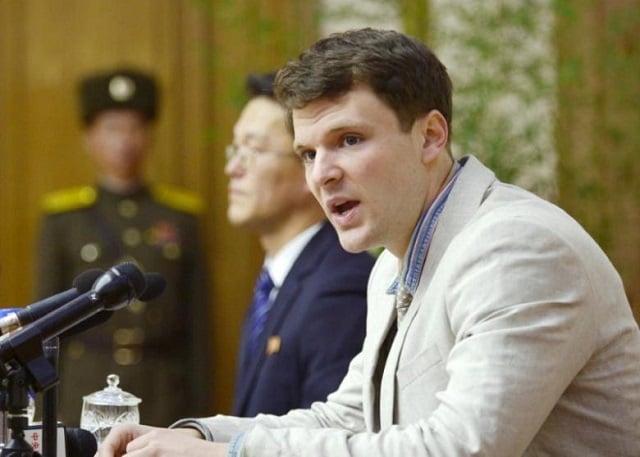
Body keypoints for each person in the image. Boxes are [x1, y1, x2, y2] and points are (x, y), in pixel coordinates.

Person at [96, 28, 640, 457]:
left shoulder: (516, 248)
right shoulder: (393, 261)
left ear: (430, 136)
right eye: (308, 153)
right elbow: (350, 417)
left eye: (348, 140)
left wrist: (232, 453)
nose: (322, 174)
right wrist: (196, 435)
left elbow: (458, 449)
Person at [33, 67, 212, 427]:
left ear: (149, 135)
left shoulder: (181, 218)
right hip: (83, 386)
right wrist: (49, 404)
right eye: (112, 129)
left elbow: (198, 329)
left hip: (163, 389)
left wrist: (200, 413)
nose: (124, 141)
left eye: (134, 128)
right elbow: (46, 327)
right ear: (89, 138)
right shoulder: (63, 220)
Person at [225, 72, 373, 416]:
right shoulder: (278, 279)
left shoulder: (340, 287)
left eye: (254, 150)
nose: (233, 168)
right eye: (235, 148)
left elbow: (331, 438)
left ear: (311, 165)